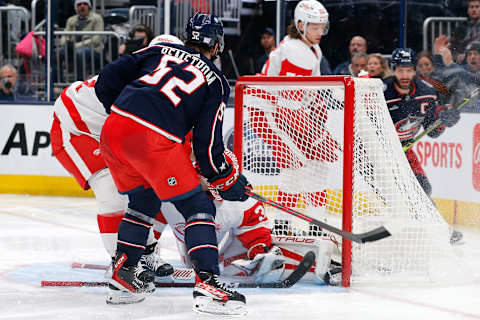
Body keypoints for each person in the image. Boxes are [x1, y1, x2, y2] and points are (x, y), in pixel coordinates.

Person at [95, 13, 251, 315]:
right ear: (217, 44)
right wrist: (227, 180)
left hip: (113, 131)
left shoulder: (159, 50)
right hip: (152, 139)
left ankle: (123, 276)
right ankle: (208, 284)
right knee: (198, 207)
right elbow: (208, 149)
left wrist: (122, 112)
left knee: (143, 199)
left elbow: (107, 78)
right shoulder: (216, 81)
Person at [49, 35, 183, 296]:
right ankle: (120, 264)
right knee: (112, 191)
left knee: (142, 188)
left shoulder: (169, 81)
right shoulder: (144, 76)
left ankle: (146, 253)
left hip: (109, 130)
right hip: (76, 128)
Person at [262, 0, 329, 76]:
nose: (320, 33)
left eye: (322, 27)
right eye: (315, 28)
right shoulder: (289, 50)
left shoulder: (315, 48)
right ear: (301, 26)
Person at [59, 0, 104, 81]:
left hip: (94, 50)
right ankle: (57, 83)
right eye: (79, 4)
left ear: (89, 6)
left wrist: (76, 46)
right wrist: (65, 43)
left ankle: (79, 81)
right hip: (72, 48)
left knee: (79, 53)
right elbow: (64, 36)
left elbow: (97, 39)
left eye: (85, 4)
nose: (82, 6)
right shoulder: (71, 20)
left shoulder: (97, 18)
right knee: (57, 53)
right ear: (76, 7)